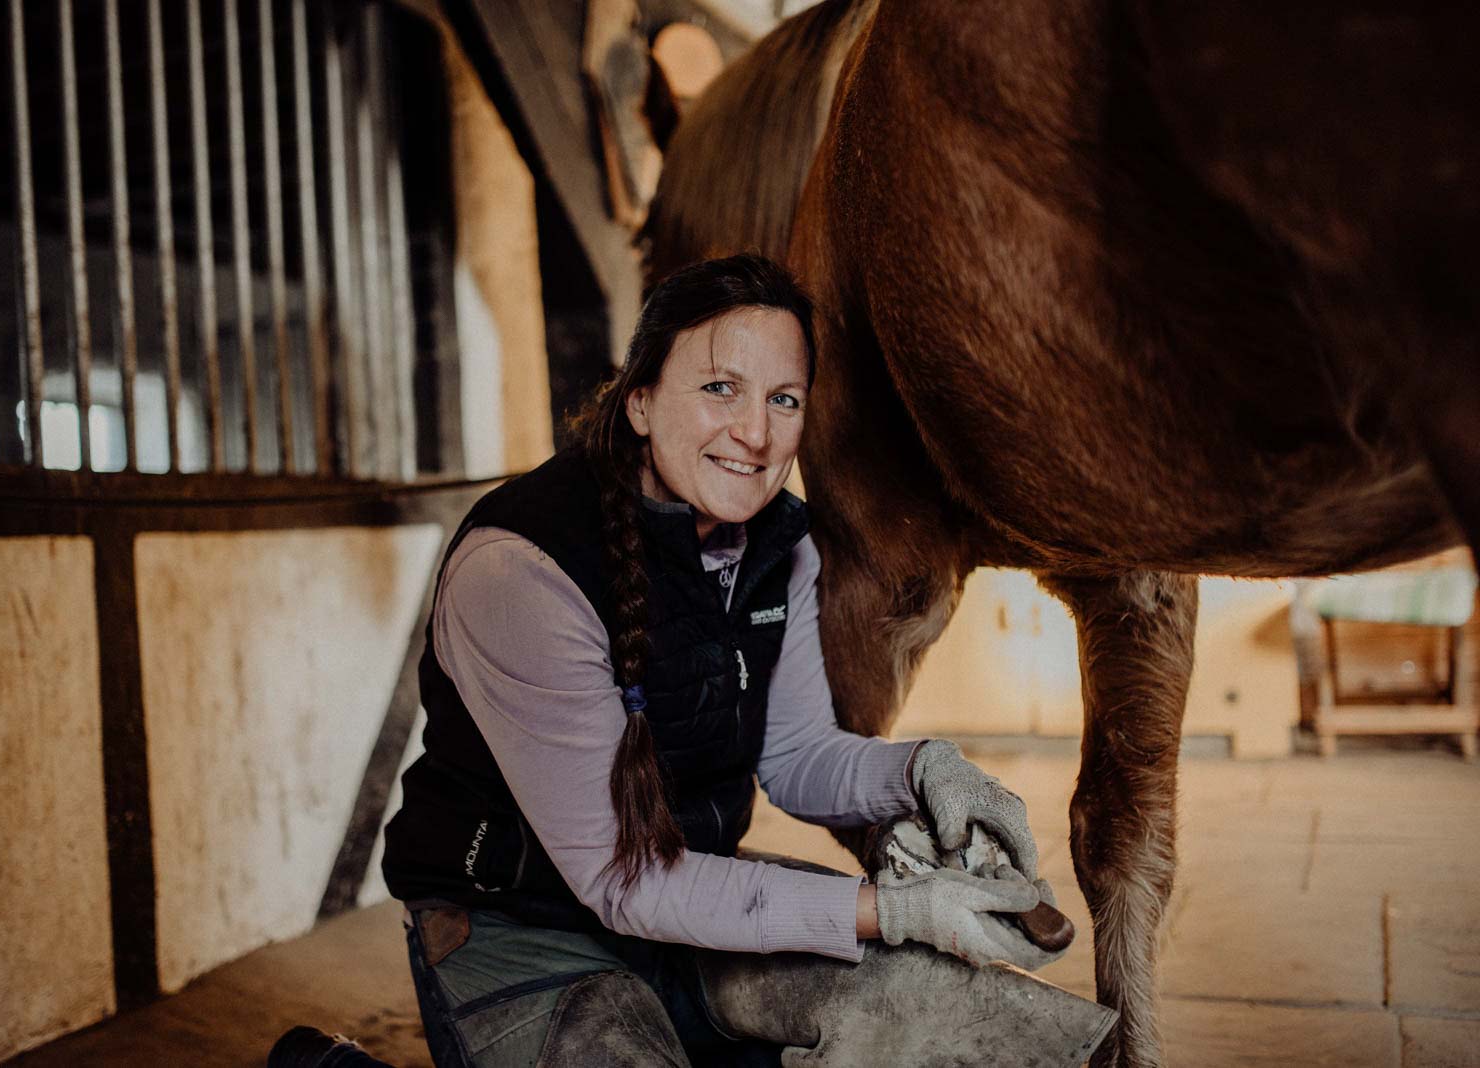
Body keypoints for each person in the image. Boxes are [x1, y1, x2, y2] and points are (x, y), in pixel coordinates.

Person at [376, 254, 1115, 1067]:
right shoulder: (521, 571)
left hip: (693, 891)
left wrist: (926, 772)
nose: (756, 434)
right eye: (720, 388)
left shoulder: (780, 548)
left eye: (783, 399)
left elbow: (794, 755)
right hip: (524, 925)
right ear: (643, 401)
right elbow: (627, 882)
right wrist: (898, 910)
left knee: (954, 1010)